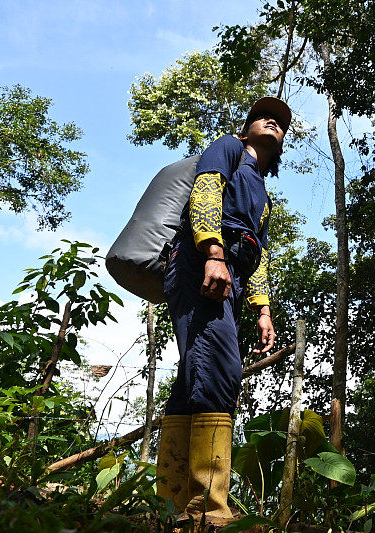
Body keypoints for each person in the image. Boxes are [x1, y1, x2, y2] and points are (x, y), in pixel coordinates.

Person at [155, 97, 291, 525]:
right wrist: (212, 251)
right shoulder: (227, 149)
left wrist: (263, 310)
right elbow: (206, 191)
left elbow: (260, 253)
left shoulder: (261, 192)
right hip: (203, 265)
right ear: (246, 128)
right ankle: (209, 510)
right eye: (263, 116)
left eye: (282, 122)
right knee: (218, 369)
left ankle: (172, 503)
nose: (274, 121)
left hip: (229, 273)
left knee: (194, 377)